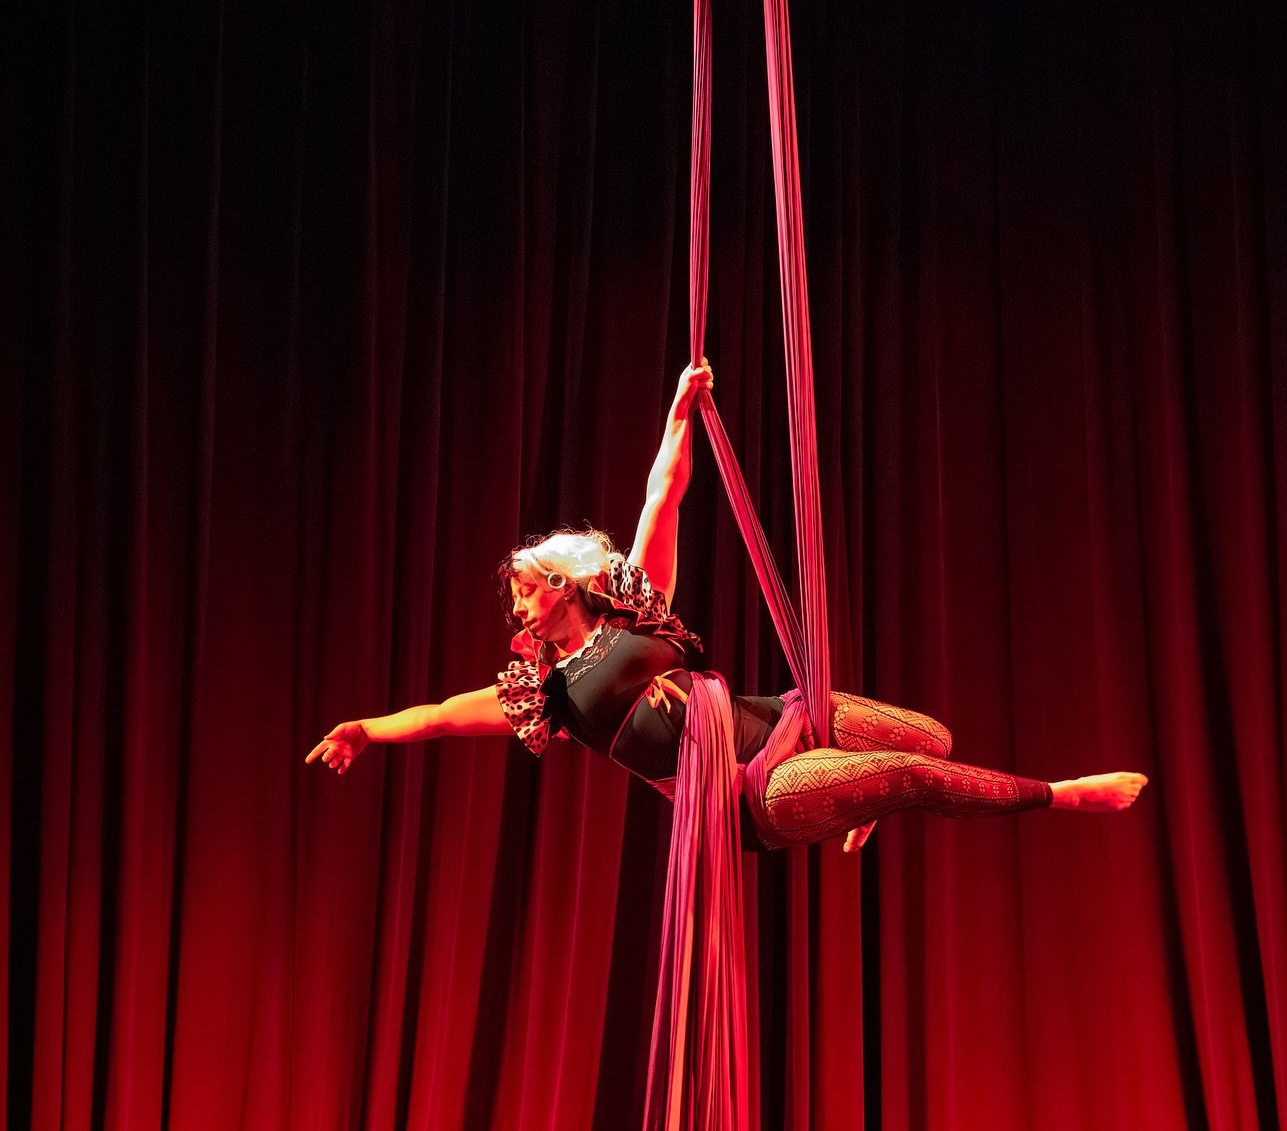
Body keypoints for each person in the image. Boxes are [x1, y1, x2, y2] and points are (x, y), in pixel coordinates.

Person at [306, 362, 1147, 846]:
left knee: (934, 739)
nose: (515, 604)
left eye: (523, 587)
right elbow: (444, 715)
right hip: (754, 788)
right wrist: (365, 730)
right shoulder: (549, 693)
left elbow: (661, 502)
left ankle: (872, 799)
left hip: (780, 717)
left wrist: (681, 416)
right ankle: (1064, 793)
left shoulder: (634, 612)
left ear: (560, 584)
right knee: (916, 770)